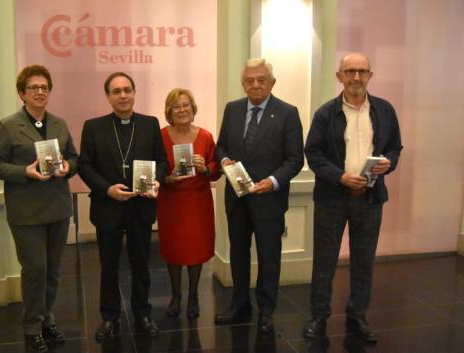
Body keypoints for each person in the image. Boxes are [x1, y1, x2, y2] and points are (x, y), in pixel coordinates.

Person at [303, 52, 402, 343]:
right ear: (339, 76)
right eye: (350, 71)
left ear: (370, 75)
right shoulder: (325, 113)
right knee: (324, 261)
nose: (356, 77)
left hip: (370, 198)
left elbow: (395, 147)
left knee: (363, 260)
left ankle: (357, 315)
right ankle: (319, 316)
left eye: (362, 71)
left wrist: (389, 163)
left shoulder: (384, 110)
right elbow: (313, 153)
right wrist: (340, 176)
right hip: (331, 197)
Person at [0, 65, 78, 353]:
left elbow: (74, 158)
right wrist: (24, 172)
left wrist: (68, 166)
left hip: (58, 208)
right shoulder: (9, 125)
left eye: (44, 87)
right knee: (35, 269)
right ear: (22, 93)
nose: (40, 92)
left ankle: (48, 319)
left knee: (52, 271)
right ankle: (31, 327)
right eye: (33, 88)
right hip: (27, 212)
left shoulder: (60, 124)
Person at [215, 58, 304, 333]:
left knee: (269, 257)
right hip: (237, 199)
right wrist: (224, 161)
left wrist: (273, 181)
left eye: (261, 80)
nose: (255, 84)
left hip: (269, 200)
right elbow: (221, 147)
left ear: (271, 83)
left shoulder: (288, 113)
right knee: (238, 253)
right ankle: (239, 303)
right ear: (243, 84)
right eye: (249, 80)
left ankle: (266, 310)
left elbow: (294, 159)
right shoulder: (232, 109)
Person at [78, 72, 168, 341]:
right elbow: (85, 165)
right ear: (108, 96)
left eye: (127, 90)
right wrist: (107, 188)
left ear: (134, 92)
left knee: (141, 264)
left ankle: (142, 313)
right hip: (109, 206)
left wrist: (157, 182)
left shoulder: (150, 124)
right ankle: (110, 317)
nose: (123, 95)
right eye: (116, 91)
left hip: (141, 206)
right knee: (108, 265)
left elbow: (161, 162)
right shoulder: (93, 126)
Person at [156, 88, 220, 319]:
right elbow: (155, 168)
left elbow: (216, 169)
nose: (182, 109)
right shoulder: (160, 136)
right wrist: (166, 178)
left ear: (193, 109)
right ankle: (176, 295)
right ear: (169, 112)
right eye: (176, 106)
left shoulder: (205, 136)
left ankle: (193, 295)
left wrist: (205, 168)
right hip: (171, 201)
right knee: (173, 250)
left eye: (186, 105)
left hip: (197, 201)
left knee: (196, 249)